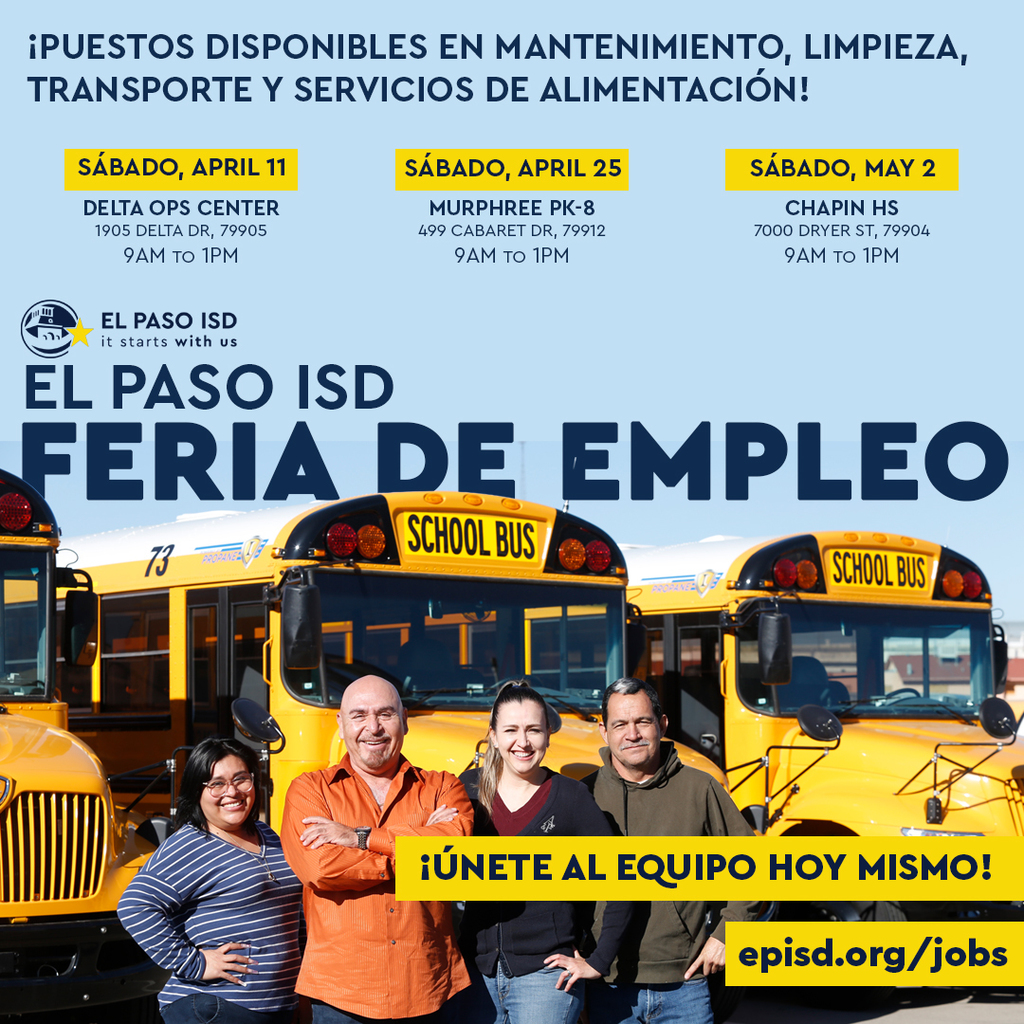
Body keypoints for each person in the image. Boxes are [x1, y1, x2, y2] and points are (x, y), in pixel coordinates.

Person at [281, 675, 473, 1024]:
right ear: (340, 724)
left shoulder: (443, 785)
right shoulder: (310, 790)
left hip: (428, 986)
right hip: (342, 994)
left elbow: (456, 854)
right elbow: (320, 869)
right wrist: (416, 852)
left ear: (404, 721)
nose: (373, 727)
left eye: (385, 714)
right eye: (359, 715)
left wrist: (361, 838)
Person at [456, 680, 633, 1024]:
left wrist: (598, 960)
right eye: (510, 730)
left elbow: (622, 878)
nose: (522, 742)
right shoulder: (468, 790)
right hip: (474, 972)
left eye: (533, 730)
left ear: (548, 734)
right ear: (492, 734)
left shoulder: (571, 798)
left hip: (545, 978)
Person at [585, 677, 760, 1024]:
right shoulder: (583, 795)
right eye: (620, 724)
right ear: (604, 732)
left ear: (662, 725)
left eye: (642, 721)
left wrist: (729, 933)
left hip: (685, 987)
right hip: (607, 987)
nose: (632, 734)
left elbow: (754, 865)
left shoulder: (701, 789)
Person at [117, 737, 302, 1024]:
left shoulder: (268, 835)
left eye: (241, 779)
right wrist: (196, 964)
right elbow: (134, 906)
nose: (232, 791)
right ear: (197, 792)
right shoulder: (191, 844)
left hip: (275, 1006)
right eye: (216, 784)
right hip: (218, 1006)